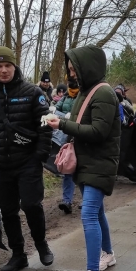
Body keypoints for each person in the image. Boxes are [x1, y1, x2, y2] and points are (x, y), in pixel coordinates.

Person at [45, 45, 121, 271]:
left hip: (99, 163)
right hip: (87, 162)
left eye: (74, 68)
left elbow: (98, 132)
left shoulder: (104, 94)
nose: (71, 73)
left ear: (86, 67)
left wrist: (63, 124)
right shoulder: (85, 92)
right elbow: (80, 124)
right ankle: (107, 254)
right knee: (97, 213)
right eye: (69, 69)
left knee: (88, 214)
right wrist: (59, 121)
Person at [0, 46, 54, 271]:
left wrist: (40, 154)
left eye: (7, 65)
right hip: (1, 164)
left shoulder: (32, 91)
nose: (4, 70)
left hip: (28, 162)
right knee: (8, 211)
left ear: (14, 66)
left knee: (31, 205)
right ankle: (18, 255)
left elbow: (46, 123)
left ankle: (41, 244)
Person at [55, 78, 81, 214]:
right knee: (68, 167)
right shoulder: (64, 98)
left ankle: (87, 201)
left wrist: (73, 119)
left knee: (83, 169)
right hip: (67, 136)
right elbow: (55, 110)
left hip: (82, 136)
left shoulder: (83, 96)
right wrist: (66, 116)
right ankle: (67, 201)